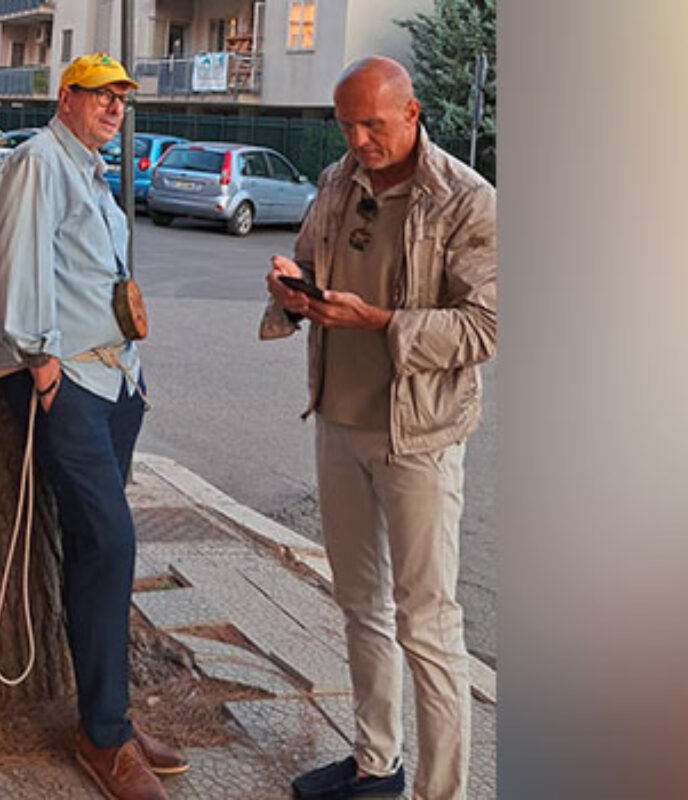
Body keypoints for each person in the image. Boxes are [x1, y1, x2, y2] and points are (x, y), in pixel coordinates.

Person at [261, 56, 495, 800]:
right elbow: (306, 259)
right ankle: (374, 765)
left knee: (427, 627)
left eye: (374, 124)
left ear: (413, 112)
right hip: (337, 421)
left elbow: (484, 327)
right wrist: (291, 294)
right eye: (347, 125)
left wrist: (382, 322)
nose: (359, 140)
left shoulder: (467, 199)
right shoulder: (337, 183)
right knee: (360, 606)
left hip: (418, 439)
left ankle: (443, 792)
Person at [0, 53, 186, 800]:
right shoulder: (41, 160)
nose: (114, 109)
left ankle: (111, 716)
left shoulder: (91, 171)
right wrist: (40, 363)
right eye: (101, 96)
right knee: (110, 540)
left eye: (121, 99)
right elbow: (18, 264)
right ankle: (103, 739)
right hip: (64, 381)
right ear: (66, 98)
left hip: (113, 381)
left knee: (94, 550)